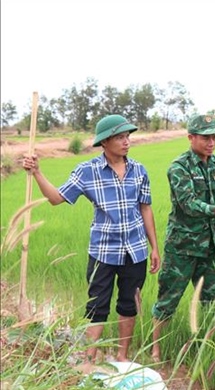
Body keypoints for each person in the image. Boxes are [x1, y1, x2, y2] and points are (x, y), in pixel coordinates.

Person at [22, 114, 161, 363]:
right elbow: (56, 198)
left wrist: (155, 248)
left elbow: (146, 209)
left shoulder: (139, 170)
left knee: (129, 305)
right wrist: (37, 173)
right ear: (104, 143)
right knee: (97, 307)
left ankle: (122, 358)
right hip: (103, 253)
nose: (126, 141)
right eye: (120, 137)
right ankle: (88, 361)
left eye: (128, 136)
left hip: (136, 250)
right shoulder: (87, 171)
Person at [151, 113, 215, 361]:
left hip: (212, 249)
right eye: (206, 137)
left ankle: (210, 351)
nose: (211, 142)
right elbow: (188, 204)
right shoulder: (179, 167)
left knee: (213, 302)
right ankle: (155, 350)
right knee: (168, 300)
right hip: (182, 247)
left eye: (214, 137)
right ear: (191, 137)